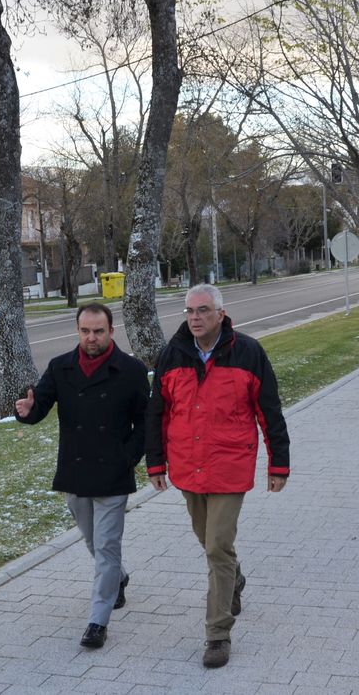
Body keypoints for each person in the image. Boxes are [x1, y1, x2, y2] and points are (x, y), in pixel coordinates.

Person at [145, 283, 290, 668]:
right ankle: (235, 579)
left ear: (221, 314)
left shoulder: (247, 352)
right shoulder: (171, 354)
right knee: (211, 544)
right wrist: (156, 464)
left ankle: (217, 634)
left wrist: (279, 464)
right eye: (190, 311)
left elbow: (269, 412)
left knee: (216, 548)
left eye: (203, 310)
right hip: (187, 467)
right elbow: (157, 413)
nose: (195, 318)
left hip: (230, 467)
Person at [15, 302, 149, 650]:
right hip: (76, 470)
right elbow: (40, 405)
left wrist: (128, 457)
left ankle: (97, 620)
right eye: (85, 331)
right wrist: (28, 412)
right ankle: (117, 578)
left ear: (111, 332)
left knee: (106, 545)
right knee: (92, 541)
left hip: (113, 472)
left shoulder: (131, 370)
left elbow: (146, 422)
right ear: (78, 331)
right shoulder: (61, 367)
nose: (91, 338)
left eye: (98, 331)